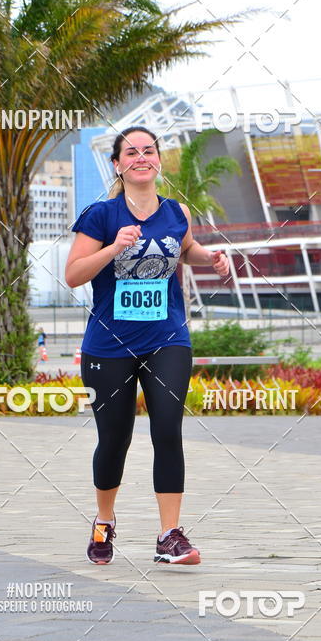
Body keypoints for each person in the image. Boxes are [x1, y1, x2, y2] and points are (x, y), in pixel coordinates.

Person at [65, 126, 229, 566]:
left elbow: (186, 250)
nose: (141, 157)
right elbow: (74, 274)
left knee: (167, 430)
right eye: (131, 152)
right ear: (117, 164)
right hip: (109, 346)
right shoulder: (100, 215)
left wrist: (210, 258)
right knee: (113, 440)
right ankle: (104, 520)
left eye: (149, 151)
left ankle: (169, 535)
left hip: (167, 338)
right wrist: (113, 248)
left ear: (159, 160)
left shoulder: (175, 211)